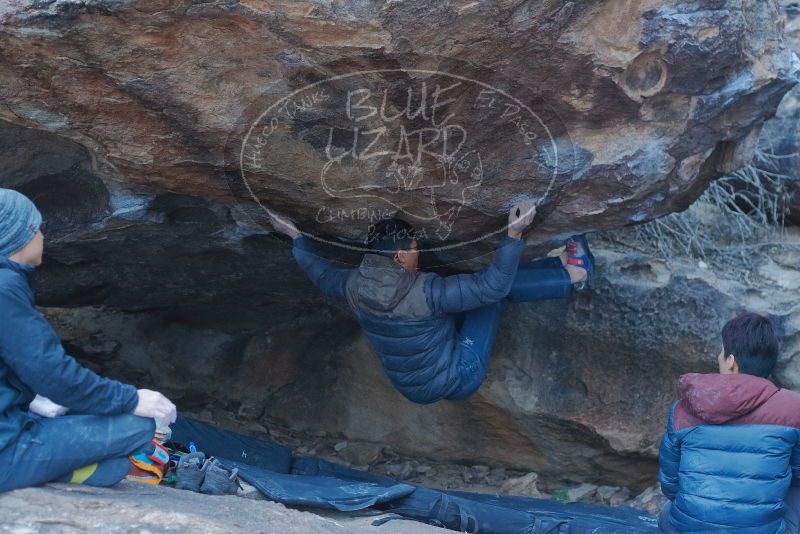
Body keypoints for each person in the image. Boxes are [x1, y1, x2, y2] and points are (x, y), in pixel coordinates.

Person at [269, 201, 593, 404]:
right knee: (489, 298)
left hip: (411, 386)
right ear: (399, 255)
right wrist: (513, 234)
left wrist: (295, 236)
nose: (417, 253)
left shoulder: (351, 284)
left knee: (463, 283)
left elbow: (319, 273)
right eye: (413, 249)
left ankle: (560, 268)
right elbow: (491, 288)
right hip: (457, 378)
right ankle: (574, 274)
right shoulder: (425, 293)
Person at [0, 188, 177, 492]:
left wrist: (34, 399)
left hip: (11, 422)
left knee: (115, 468)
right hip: (5, 448)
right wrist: (131, 399)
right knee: (139, 426)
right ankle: (29, 466)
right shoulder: (5, 288)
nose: (43, 235)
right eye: (37, 227)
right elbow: (50, 373)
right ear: (21, 235)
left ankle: (47, 468)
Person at [658, 312, 800, 533]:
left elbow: (669, 482)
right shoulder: (793, 407)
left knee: (669, 511)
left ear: (731, 363)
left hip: (687, 529)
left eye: (721, 352)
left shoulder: (682, 409)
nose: (719, 357)